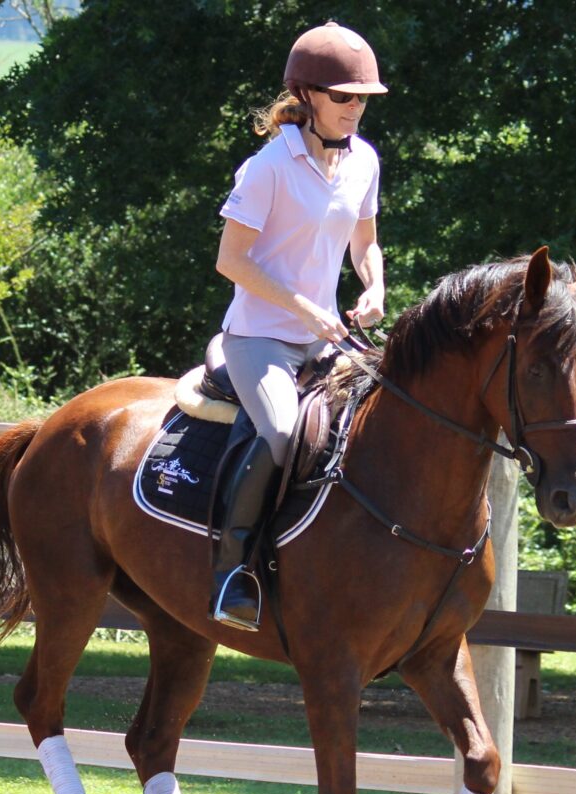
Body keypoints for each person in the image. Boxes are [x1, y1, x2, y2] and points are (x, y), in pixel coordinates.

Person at [210, 21, 388, 631]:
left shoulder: (363, 160)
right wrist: (306, 307)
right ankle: (234, 571)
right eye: (344, 96)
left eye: (363, 97)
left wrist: (374, 286)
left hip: (328, 337)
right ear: (307, 95)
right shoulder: (268, 168)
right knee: (285, 431)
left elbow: (365, 241)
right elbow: (230, 260)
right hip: (260, 338)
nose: (355, 108)